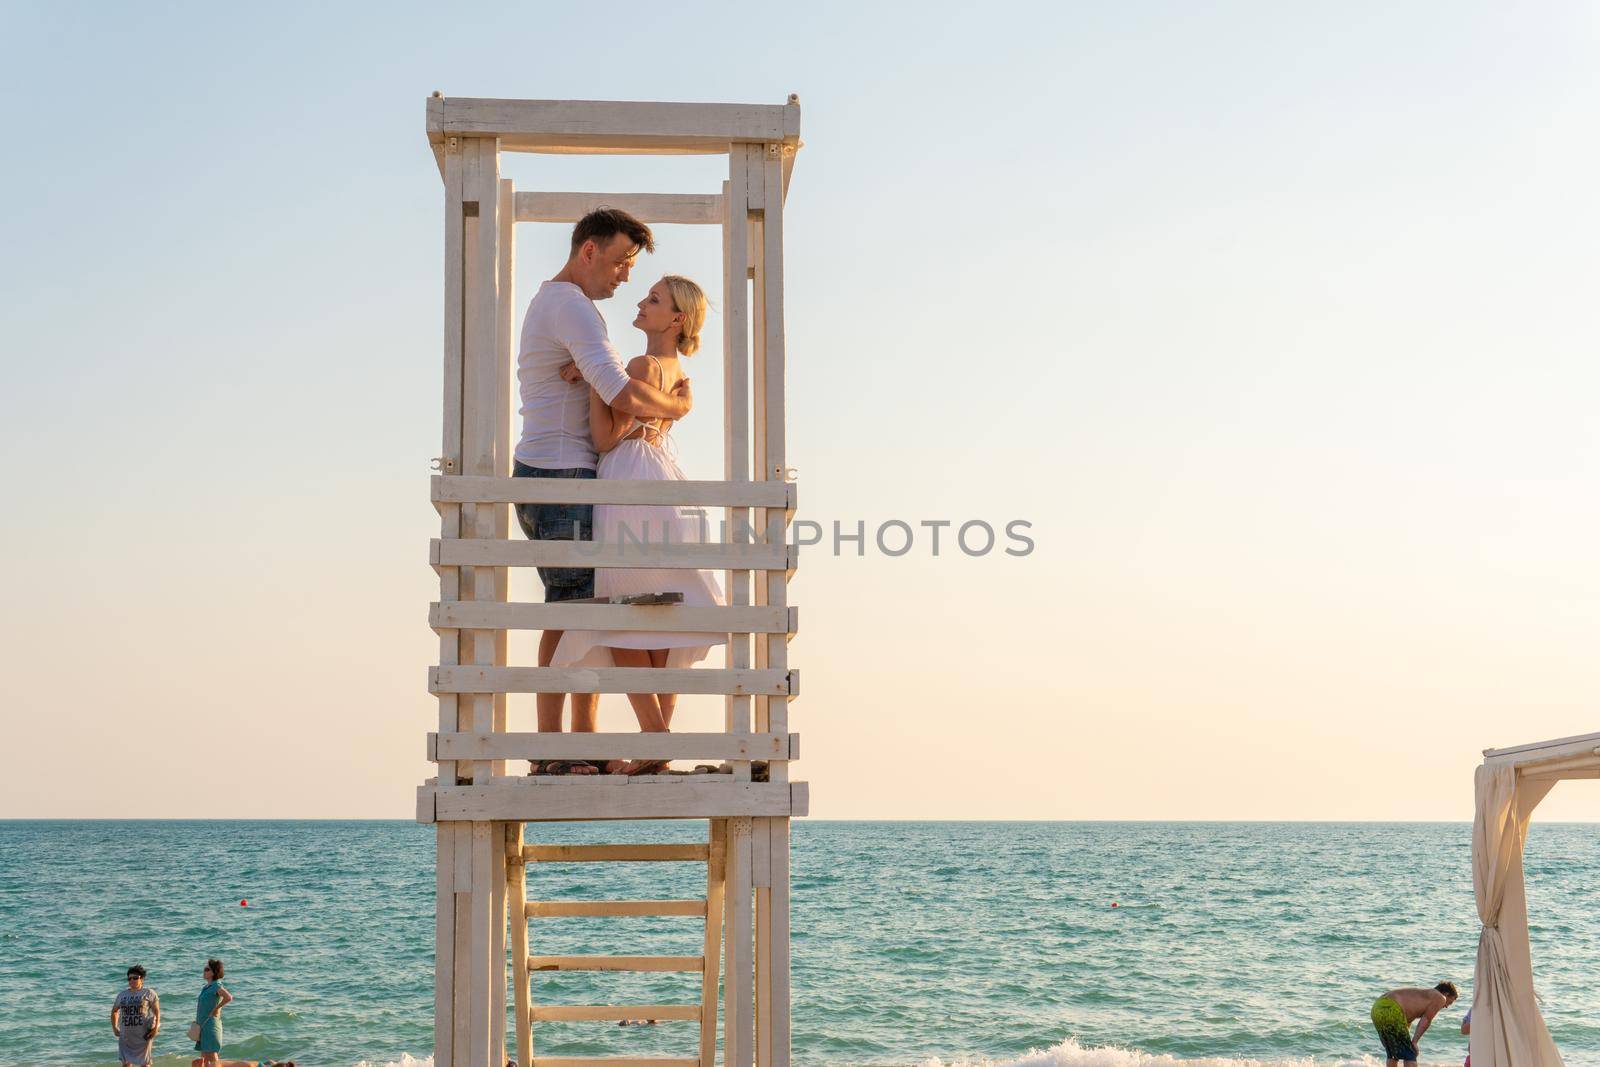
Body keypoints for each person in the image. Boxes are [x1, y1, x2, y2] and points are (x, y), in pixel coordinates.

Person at [511, 208, 694, 776]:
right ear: (588, 251)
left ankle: (574, 746)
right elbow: (619, 392)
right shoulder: (571, 306)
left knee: (578, 612)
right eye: (619, 262)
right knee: (571, 610)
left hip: (561, 472)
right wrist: (680, 405)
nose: (624, 277)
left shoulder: (568, 306)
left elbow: (611, 387)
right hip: (560, 473)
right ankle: (554, 753)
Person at [552, 275, 726, 774]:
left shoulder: (640, 365)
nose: (642, 303)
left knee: (622, 614)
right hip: (665, 482)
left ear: (676, 320)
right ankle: (657, 743)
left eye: (654, 300)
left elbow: (607, 437)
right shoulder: (675, 373)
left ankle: (655, 739)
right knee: (662, 618)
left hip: (629, 482)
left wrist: (590, 379)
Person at [1370, 981, 1458, 1066]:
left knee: (1393, 1053)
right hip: (1392, 1008)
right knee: (1410, 1054)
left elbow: (1406, 1019)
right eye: (1450, 1003)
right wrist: (1414, 1042)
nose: (1446, 1006)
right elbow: (1426, 1020)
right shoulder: (1440, 998)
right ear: (1446, 994)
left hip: (1377, 1007)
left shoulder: (1422, 996)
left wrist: (1409, 1040)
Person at [111, 964, 160, 1067]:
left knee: (144, 1064)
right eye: (129, 979)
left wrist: (155, 1029)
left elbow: (157, 1012)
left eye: (135, 978)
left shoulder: (149, 993)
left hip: (143, 1036)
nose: (132, 980)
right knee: (126, 1064)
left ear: (141, 979)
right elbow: (114, 1011)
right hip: (126, 1036)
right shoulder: (122, 995)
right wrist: (115, 1028)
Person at [192, 958, 232, 1066]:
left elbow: (228, 997)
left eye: (207, 969)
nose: (204, 971)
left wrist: (217, 1008)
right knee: (203, 1055)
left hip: (210, 1025)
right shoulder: (206, 987)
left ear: (214, 972)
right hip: (203, 1025)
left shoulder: (216, 986)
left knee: (212, 1055)